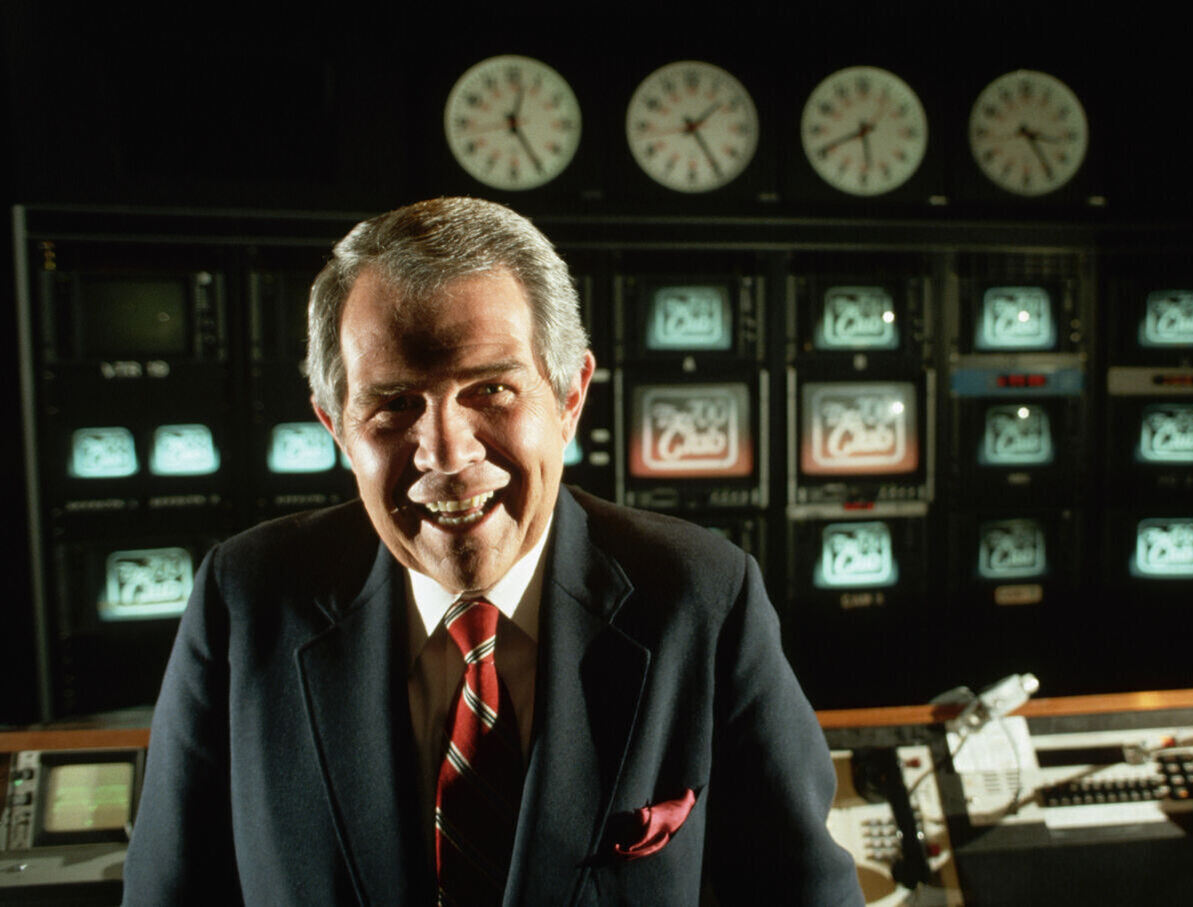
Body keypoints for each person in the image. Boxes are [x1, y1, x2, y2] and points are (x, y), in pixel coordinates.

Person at [123, 197, 864, 905]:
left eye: (490, 390)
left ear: (570, 396)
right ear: (335, 424)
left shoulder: (701, 597)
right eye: (393, 404)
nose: (445, 452)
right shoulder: (245, 599)